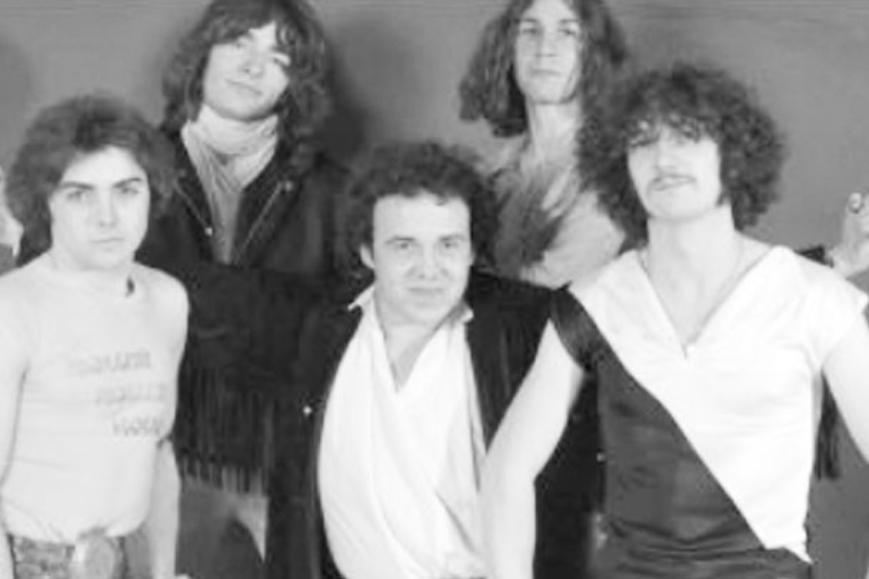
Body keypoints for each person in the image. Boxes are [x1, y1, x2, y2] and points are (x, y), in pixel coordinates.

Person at [482, 62, 869, 579]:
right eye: (642, 142)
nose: (663, 158)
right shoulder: (593, 302)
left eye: (687, 136)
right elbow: (507, 471)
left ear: (733, 154)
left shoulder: (817, 297)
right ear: (620, 165)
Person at [172, 141, 569, 579]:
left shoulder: (526, 330)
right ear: (367, 251)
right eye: (404, 246)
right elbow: (198, 293)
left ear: (473, 250)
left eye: (449, 245)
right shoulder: (317, 325)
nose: (429, 268)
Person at [134, 0, 345, 567]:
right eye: (239, 42)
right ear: (203, 51)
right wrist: (259, 306)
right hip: (156, 457)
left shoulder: (333, 190)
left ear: (295, 81)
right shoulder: (128, 171)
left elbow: (338, 328)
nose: (255, 66)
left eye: (279, 56)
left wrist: (185, 293)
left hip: (285, 464)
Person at [0, 95, 188, 579]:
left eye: (126, 191)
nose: (107, 217)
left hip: (123, 559)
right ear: (46, 201)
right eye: (80, 194)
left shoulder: (166, 299)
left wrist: (163, 572)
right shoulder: (12, 308)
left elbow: (158, 450)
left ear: (152, 193)